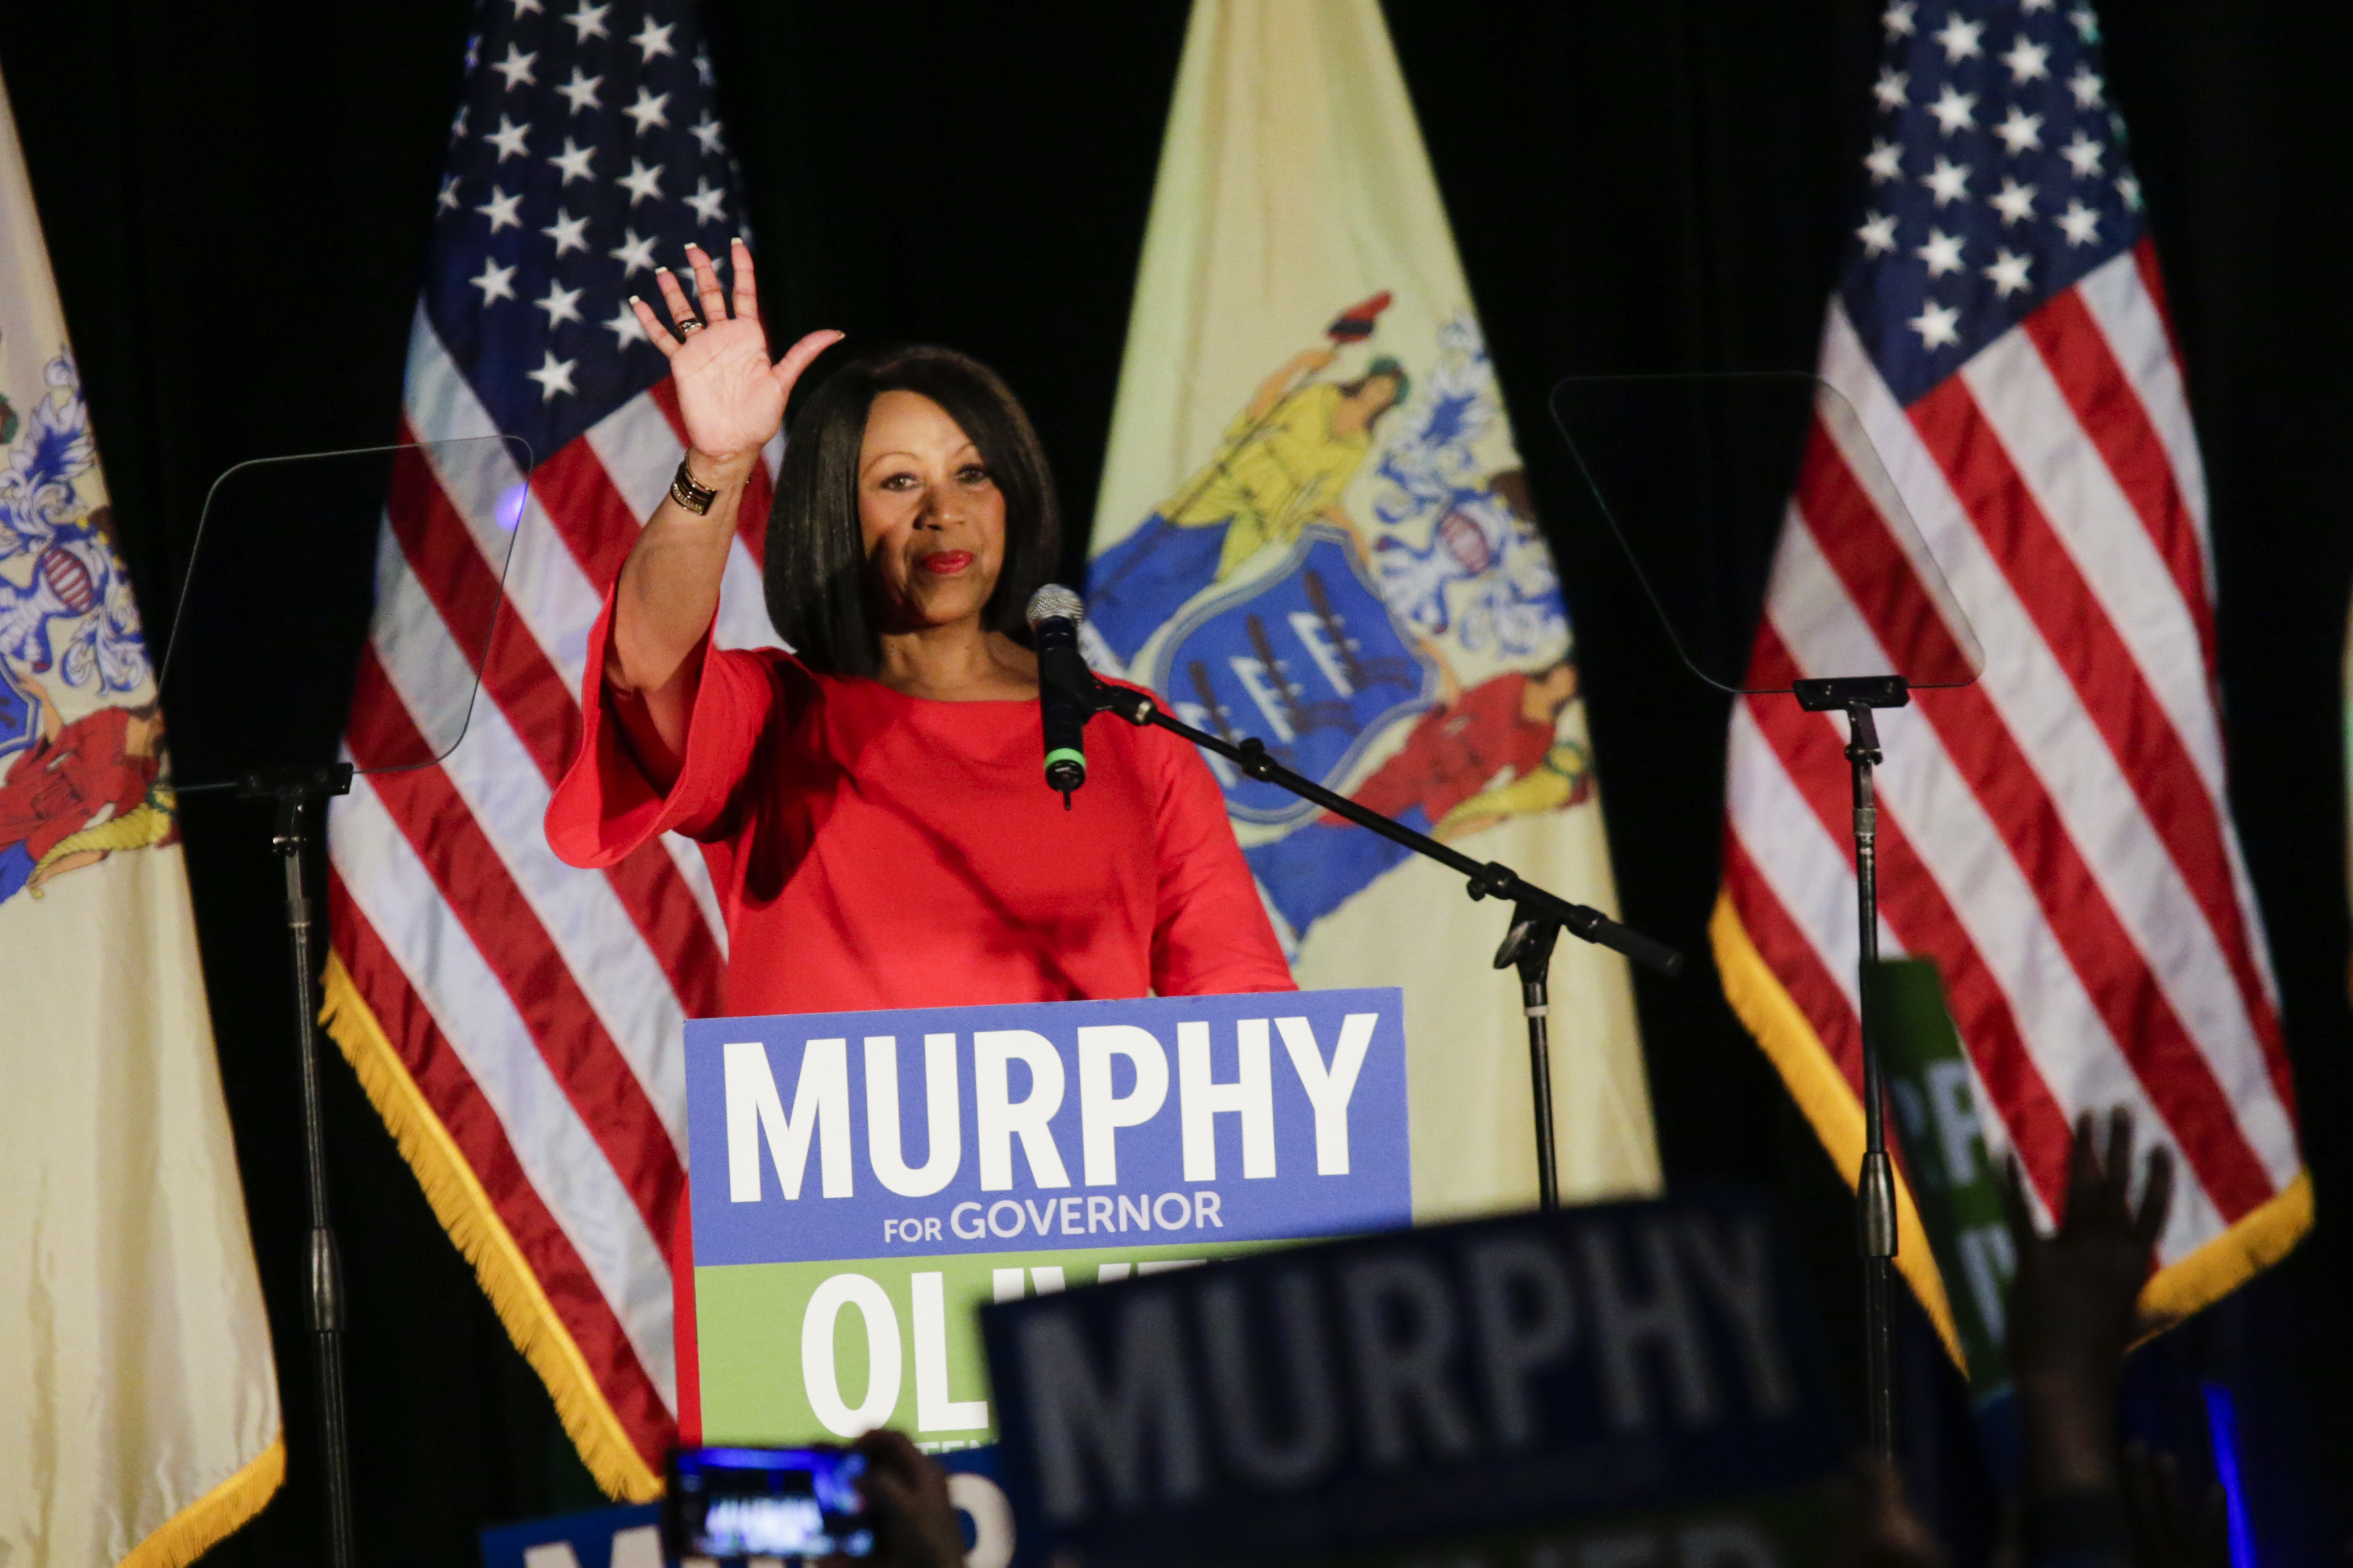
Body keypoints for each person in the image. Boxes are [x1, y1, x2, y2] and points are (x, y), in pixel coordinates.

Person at [544, 237, 1295, 1016]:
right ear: (837, 514)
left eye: (972, 473)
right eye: (898, 481)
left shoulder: (1133, 734)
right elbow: (646, 663)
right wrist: (718, 465)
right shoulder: (773, 719)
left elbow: (1243, 1013)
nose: (945, 511)